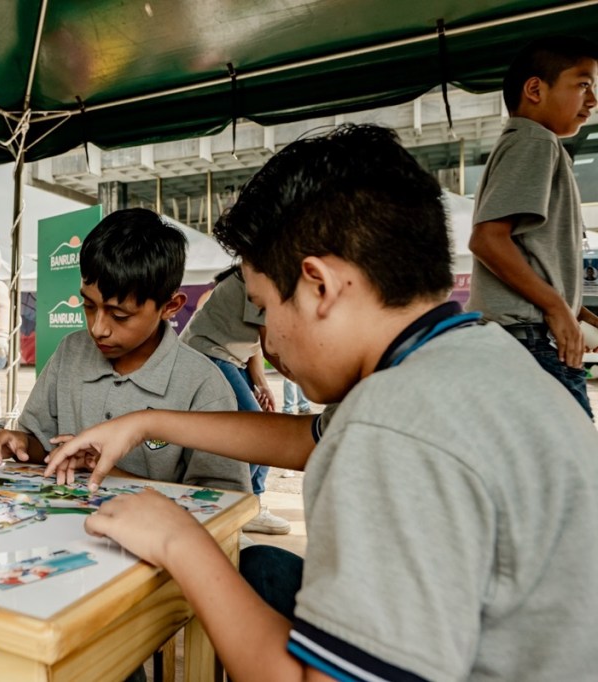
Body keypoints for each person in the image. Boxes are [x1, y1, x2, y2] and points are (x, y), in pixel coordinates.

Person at [45, 125, 598, 681]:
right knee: (260, 569)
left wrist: (178, 540)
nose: (268, 340)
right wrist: (145, 422)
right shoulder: (465, 356)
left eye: (263, 308)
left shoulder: (391, 429)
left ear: (319, 286)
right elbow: (304, 438)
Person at [0, 208, 251, 495]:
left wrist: (107, 472)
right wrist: (17, 443)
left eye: (119, 315)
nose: (98, 329)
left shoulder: (202, 386)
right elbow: (42, 443)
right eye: (89, 306)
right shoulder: (71, 352)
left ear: (170, 306)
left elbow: (223, 502)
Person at [467, 36, 598, 418]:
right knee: (573, 468)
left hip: (522, 336)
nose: (592, 100)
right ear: (535, 89)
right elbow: (488, 240)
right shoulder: (535, 141)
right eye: (583, 84)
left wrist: (574, 311)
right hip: (531, 340)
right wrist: (557, 309)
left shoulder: (528, 143)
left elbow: (527, 251)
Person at [180, 266, 291, 534]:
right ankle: (235, 506)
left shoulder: (260, 273)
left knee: (267, 427)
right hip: (207, 352)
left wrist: (263, 385)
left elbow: (255, 346)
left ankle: (250, 502)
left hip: (231, 357)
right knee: (260, 432)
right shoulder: (261, 273)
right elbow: (271, 346)